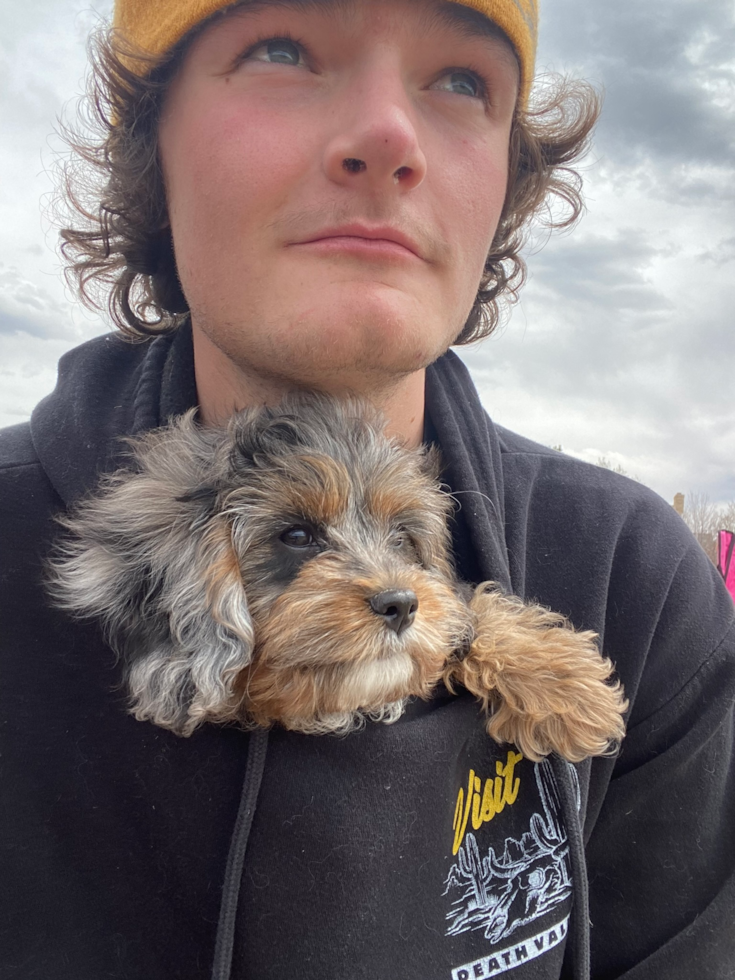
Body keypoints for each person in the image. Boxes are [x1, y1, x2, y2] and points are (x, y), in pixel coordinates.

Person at [1, 1, 733, 978]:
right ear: (154, 136)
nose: (388, 135)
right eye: (280, 48)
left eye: (462, 79)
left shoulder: (632, 583)